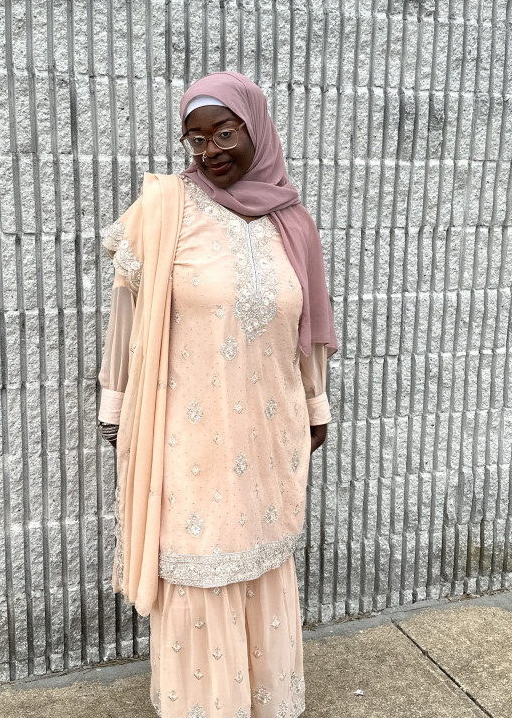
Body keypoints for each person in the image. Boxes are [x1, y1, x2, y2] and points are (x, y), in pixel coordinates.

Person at [97, 72, 338, 718]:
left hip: (270, 428)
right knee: (199, 558)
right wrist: (115, 405)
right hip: (189, 432)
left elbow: (307, 330)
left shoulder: (292, 222)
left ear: (255, 128)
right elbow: (127, 312)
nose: (210, 151)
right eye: (196, 138)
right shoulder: (164, 210)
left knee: (260, 554)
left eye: (224, 133)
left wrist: (316, 405)